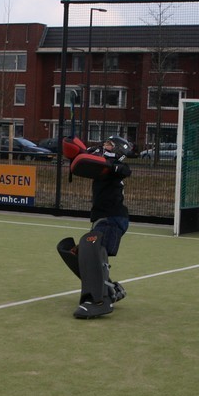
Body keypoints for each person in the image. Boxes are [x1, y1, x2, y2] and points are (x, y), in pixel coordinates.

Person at [57, 135, 133, 319]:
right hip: (102, 218)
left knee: (94, 252)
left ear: (118, 150)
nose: (104, 145)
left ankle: (99, 301)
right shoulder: (102, 167)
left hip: (113, 217)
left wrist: (107, 162)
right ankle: (111, 290)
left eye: (109, 144)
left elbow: (124, 170)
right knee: (80, 253)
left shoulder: (117, 167)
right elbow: (83, 160)